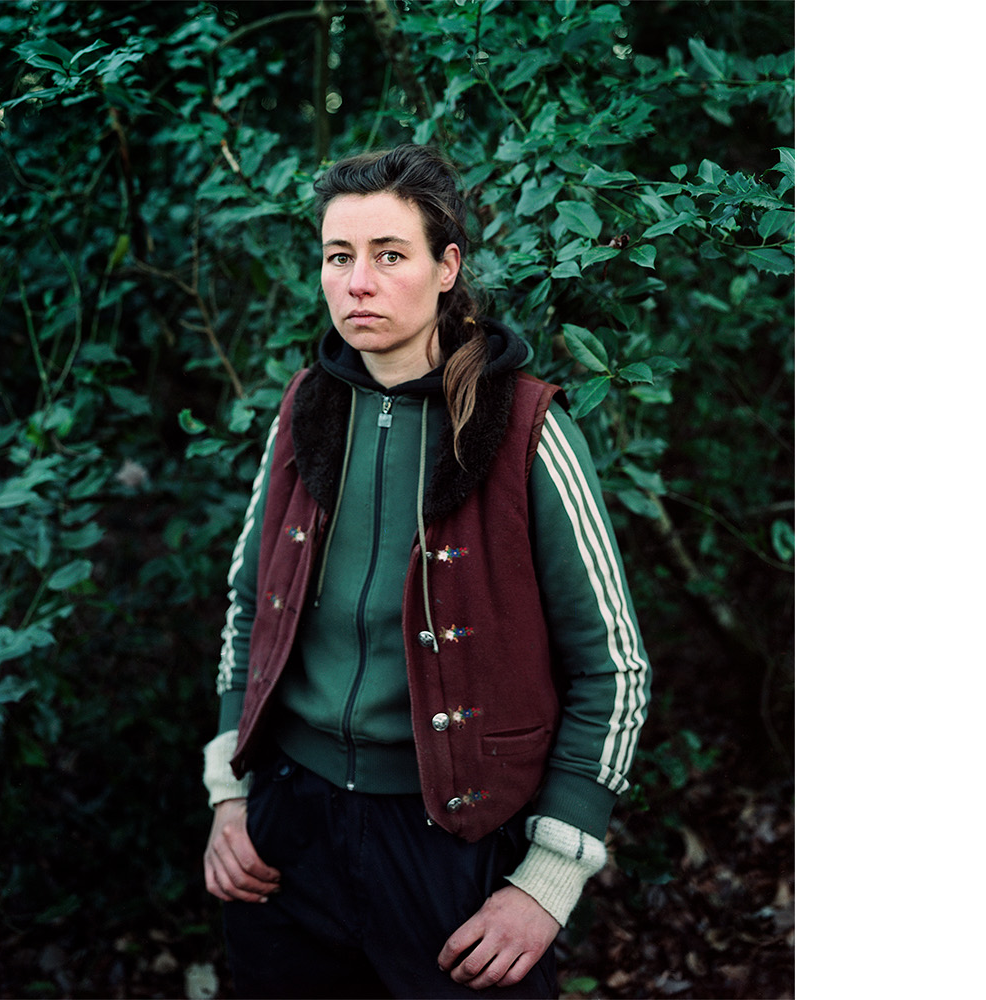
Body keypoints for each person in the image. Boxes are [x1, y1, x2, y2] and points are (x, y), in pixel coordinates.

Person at [201, 144, 651, 999]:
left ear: (447, 268)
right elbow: (246, 608)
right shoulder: (304, 410)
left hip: (453, 841)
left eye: (389, 255)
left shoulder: (525, 430)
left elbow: (614, 668)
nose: (358, 283)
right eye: (339, 256)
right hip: (287, 831)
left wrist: (548, 880)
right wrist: (230, 792)